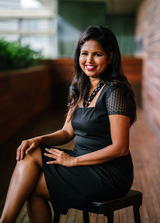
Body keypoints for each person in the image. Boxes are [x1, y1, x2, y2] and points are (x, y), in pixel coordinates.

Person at [0, 26, 136, 223]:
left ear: (110, 56)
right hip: (81, 163)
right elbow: (67, 132)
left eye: (97, 54)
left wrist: (72, 161)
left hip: (108, 173)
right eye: (84, 54)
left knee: (29, 187)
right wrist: (38, 139)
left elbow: (120, 148)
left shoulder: (115, 92)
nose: (89, 60)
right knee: (31, 151)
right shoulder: (82, 87)